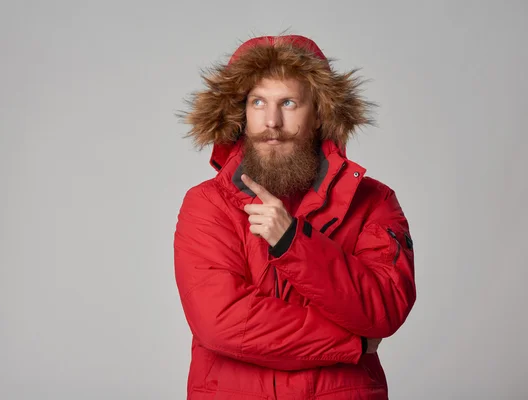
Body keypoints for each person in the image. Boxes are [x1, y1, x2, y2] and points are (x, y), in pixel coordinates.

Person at [173, 34, 416, 400]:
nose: (272, 121)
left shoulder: (374, 202)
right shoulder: (207, 205)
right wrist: (352, 342)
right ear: (241, 112)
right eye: (258, 102)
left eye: (288, 102)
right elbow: (220, 322)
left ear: (319, 113)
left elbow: (384, 308)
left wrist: (292, 241)